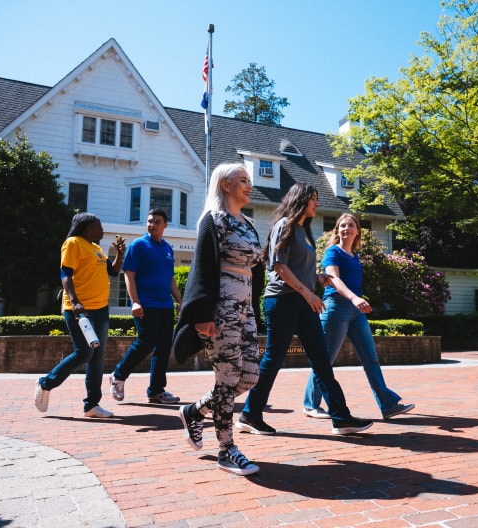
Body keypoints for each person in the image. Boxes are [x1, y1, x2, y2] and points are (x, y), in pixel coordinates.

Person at [236, 183, 373, 436]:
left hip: (302, 301)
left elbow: (296, 267)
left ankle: (341, 418)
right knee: (274, 359)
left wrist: (316, 278)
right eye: (314, 199)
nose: (317, 203)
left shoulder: (302, 230)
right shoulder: (284, 225)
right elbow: (279, 266)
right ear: (301, 199)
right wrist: (307, 292)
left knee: (321, 359)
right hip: (283, 301)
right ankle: (250, 414)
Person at [173, 163, 263, 476]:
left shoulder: (248, 223)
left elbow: (257, 269)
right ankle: (227, 450)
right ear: (225, 185)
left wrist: (256, 310)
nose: (249, 185)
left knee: (250, 377)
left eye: (249, 181)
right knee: (227, 378)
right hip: (221, 310)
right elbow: (201, 267)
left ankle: (194, 411)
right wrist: (200, 315)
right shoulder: (214, 220)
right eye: (243, 181)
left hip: (245, 309)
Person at [303, 213, 415, 419]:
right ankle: (311, 403)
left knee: (370, 358)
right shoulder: (332, 252)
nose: (346, 228)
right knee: (325, 360)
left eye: (350, 225)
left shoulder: (355, 256)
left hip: (355, 312)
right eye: (342, 225)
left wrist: (355, 302)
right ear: (337, 230)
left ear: (357, 231)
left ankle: (388, 404)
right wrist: (354, 298)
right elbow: (333, 278)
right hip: (335, 307)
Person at [34, 213, 124, 418]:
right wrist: (75, 301)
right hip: (80, 309)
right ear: (86, 228)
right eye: (98, 226)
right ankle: (46, 382)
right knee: (84, 352)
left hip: (100, 308)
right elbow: (65, 273)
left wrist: (119, 253)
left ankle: (92, 405)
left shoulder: (97, 248)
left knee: (97, 356)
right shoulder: (73, 243)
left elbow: (113, 271)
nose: (102, 229)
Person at [109, 208, 182, 404]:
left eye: (157, 221)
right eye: (150, 221)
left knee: (164, 347)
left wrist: (179, 301)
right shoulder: (138, 245)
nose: (152, 224)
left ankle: (156, 391)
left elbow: (170, 279)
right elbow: (129, 274)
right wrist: (135, 302)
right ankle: (118, 375)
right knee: (145, 342)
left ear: (165, 225)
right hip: (146, 304)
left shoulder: (167, 248)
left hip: (165, 305)